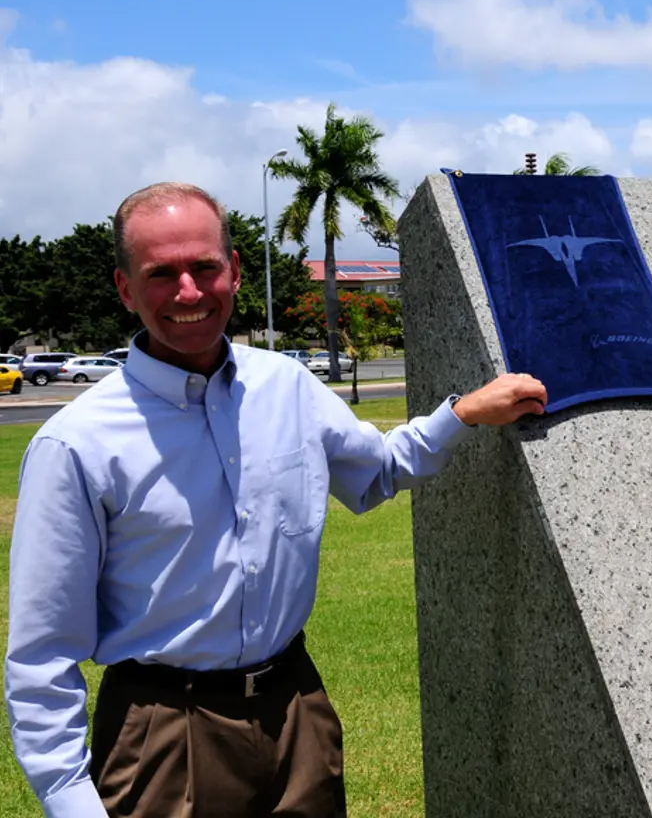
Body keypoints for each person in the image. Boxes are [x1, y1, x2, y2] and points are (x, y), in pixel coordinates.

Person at [5, 182, 547, 817]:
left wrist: (461, 414)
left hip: (296, 711)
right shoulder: (75, 445)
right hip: (163, 732)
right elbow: (43, 653)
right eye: (161, 274)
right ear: (125, 288)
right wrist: (70, 800)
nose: (188, 291)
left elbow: (377, 472)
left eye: (205, 267)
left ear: (234, 272)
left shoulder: (286, 385)